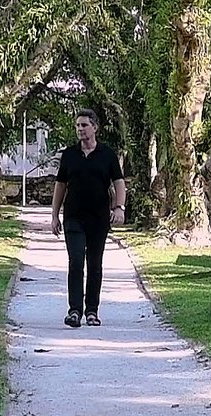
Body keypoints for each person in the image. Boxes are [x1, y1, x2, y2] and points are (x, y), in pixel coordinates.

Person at [50, 108, 126, 328]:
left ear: (95, 127)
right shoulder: (69, 154)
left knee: (95, 265)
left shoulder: (107, 154)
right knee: (75, 262)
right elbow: (60, 185)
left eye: (84, 125)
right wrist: (54, 215)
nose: (80, 129)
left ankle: (92, 311)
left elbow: (119, 182)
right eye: (77, 125)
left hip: (99, 218)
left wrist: (119, 208)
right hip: (73, 217)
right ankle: (74, 311)